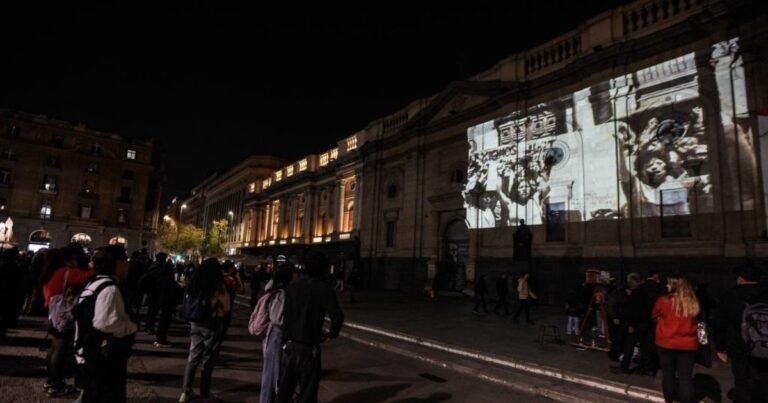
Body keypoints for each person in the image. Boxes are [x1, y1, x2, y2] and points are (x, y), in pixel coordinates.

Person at [277, 252, 344, 403]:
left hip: (288, 345)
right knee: (307, 392)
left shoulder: (293, 285)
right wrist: (330, 334)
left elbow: (286, 313)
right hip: (308, 348)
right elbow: (337, 316)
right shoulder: (323, 287)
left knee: (284, 390)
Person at [75, 245, 137, 403]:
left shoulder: (95, 282)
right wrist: (130, 326)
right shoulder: (109, 288)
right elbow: (105, 323)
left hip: (89, 353)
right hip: (102, 358)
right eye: (126, 262)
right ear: (118, 264)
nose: (128, 266)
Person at [41, 244, 93, 397]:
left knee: (54, 348)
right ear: (71, 259)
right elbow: (88, 276)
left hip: (54, 314)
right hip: (64, 315)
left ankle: (51, 381)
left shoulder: (53, 271)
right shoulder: (67, 272)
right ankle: (56, 384)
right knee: (61, 348)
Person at [179, 258, 231, 403]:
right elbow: (226, 306)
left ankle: (186, 392)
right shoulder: (217, 285)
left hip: (195, 322)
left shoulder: (194, 283)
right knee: (208, 360)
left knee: (193, 357)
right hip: (212, 324)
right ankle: (205, 393)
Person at [715, 264, 768, 403]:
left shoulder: (731, 296)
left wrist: (720, 347)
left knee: (742, 381)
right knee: (764, 380)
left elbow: (720, 324)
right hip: (764, 344)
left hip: (739, 346)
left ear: (740, 279)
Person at [652, 276, 699, 403]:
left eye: (668, 284)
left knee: (668, 376)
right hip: (688, 344)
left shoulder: (663, 301)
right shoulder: (693, 302)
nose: (666, 286)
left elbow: (654, 315)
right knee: (685, 377)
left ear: (674, 286)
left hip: (666, 342)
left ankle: (669, 400)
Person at [260, 265, 293, 403]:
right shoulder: (282, 294)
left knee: (272, 371)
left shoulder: (273, 290)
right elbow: (279, 319)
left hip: (272, 334)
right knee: (275, 371)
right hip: (277, 334)